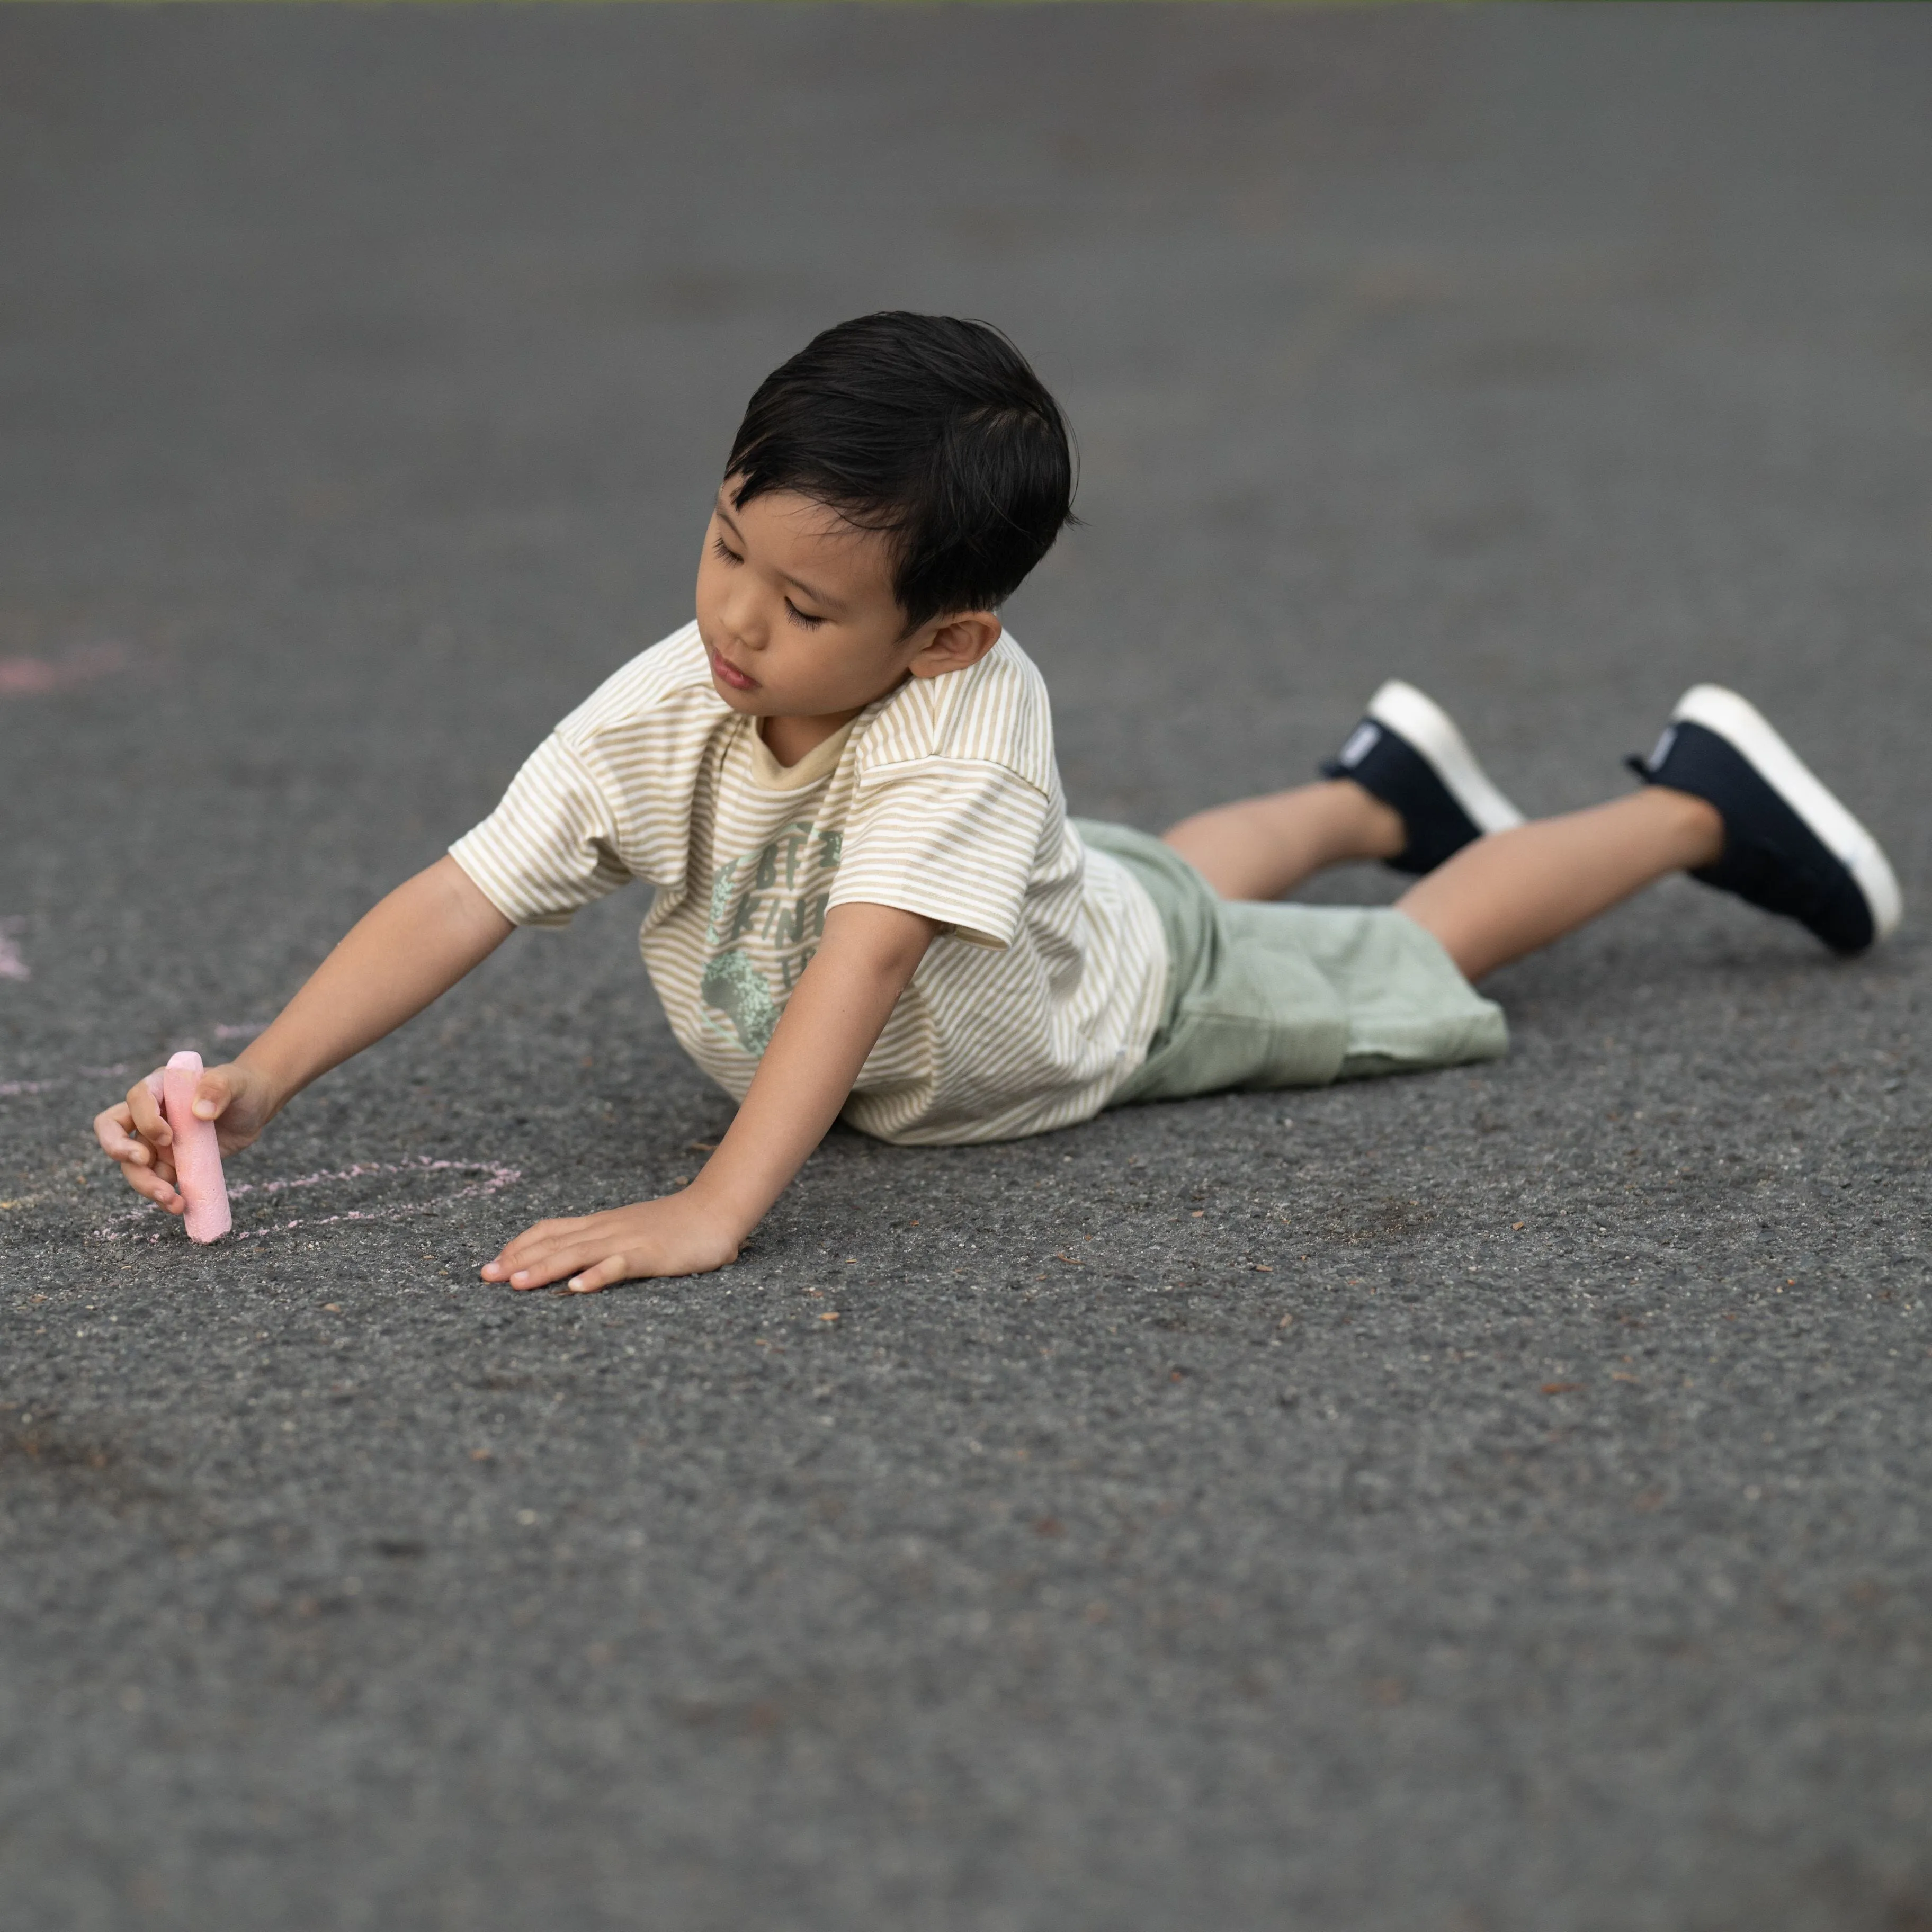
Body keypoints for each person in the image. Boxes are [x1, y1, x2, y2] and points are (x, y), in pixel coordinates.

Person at [93, 312, 1902, 1293]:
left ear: (946, 636)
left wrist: (718, 1207)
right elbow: (469, 886)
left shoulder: (962, 729)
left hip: (1108, 1012)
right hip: (1060, 908)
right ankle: (1377, 788)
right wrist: (262, 1077)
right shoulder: (685, 691)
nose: (736, 619)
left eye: (805, 609)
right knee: (1145, 872)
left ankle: (1694, 807)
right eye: (727, 546)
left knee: (1396, 963)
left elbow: (869, 965)